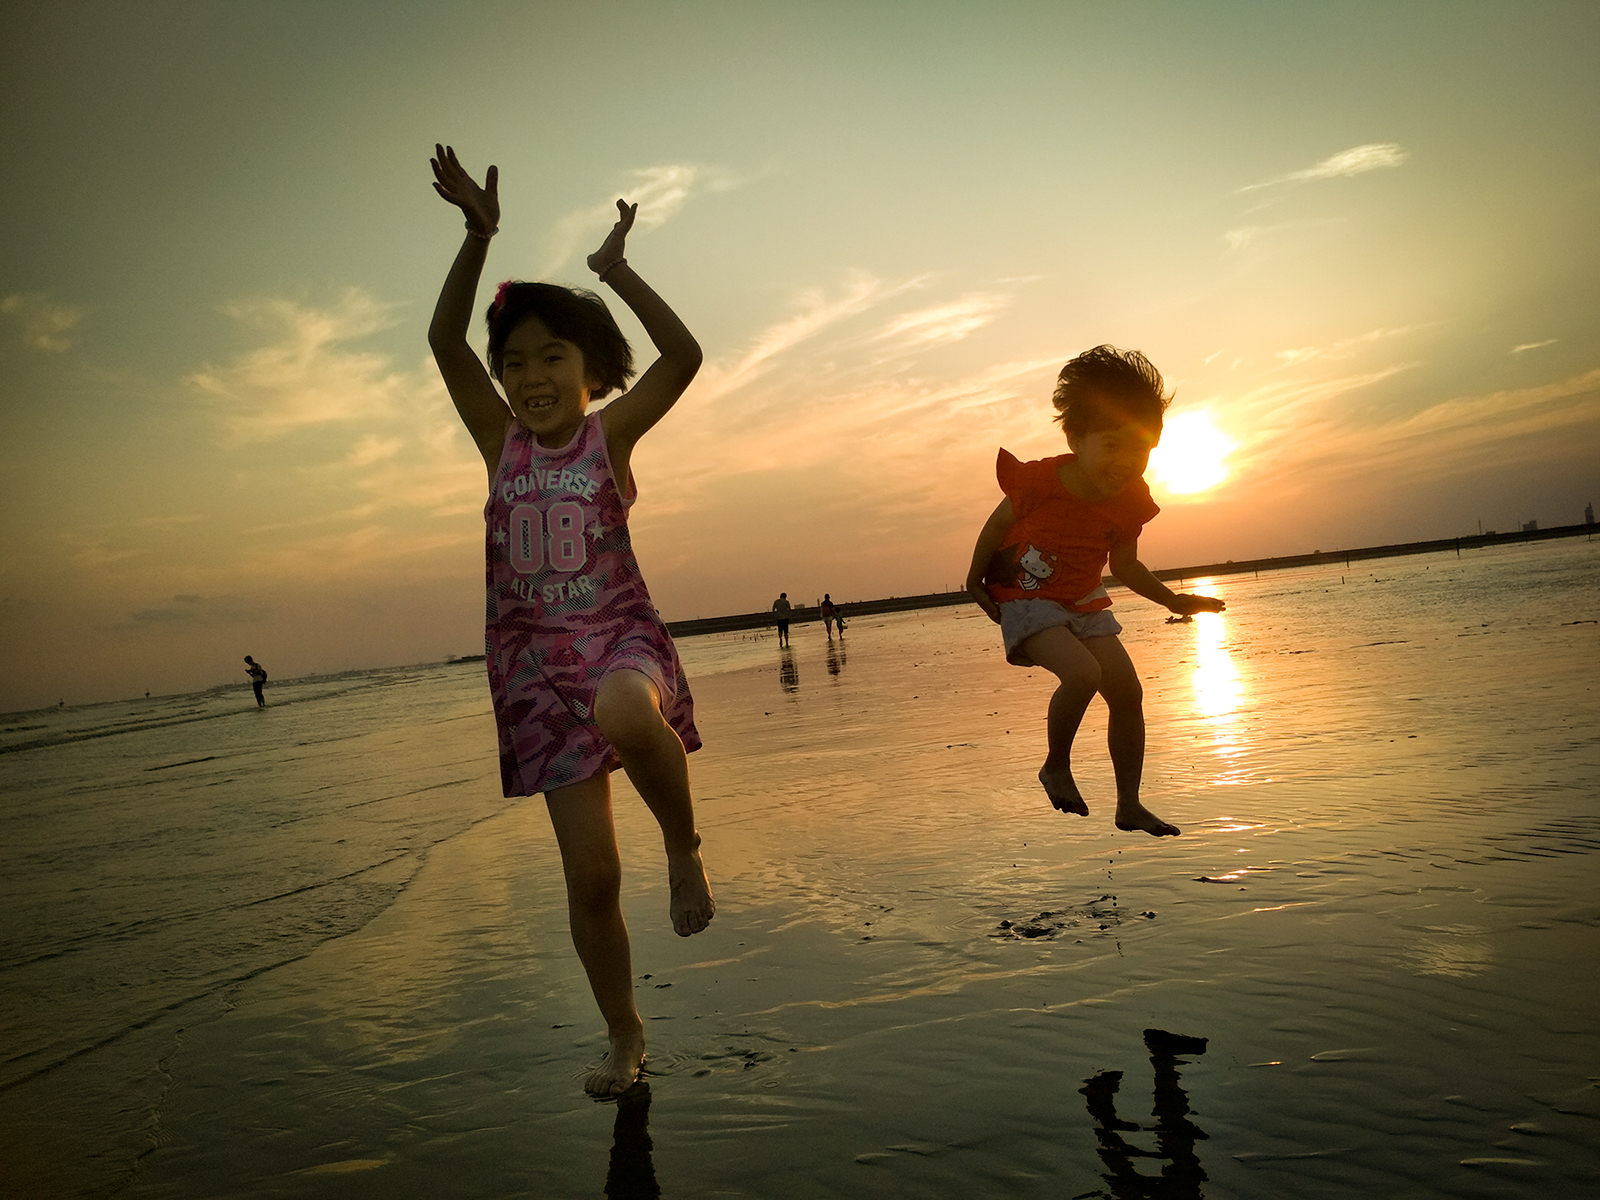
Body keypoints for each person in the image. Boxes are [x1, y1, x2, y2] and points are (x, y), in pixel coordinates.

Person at [428, 145, 714, 1096]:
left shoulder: (609, 432)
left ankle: (682, 846)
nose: (530, 374)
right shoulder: (495, 438)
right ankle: (625, 1038)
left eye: (553, 355)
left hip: (618, 642)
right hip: (532, 675)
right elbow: (443, 342)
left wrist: (618, 269)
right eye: (516, 362)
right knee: (590, 879)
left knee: (632, 717)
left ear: (591, 371)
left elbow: (685, 358)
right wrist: (478, 238)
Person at [966, 346, 1225, 837]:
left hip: (1084, 602)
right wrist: (973, 580)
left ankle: (1129, 803)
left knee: (1127, 692)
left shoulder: (1129, 502)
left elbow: (1125, 565)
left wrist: (1173, 600)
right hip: (1026, 597)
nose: (1127, 462)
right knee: (1083, 674)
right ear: (1076, 439)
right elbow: (996, 524)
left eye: (1141, 449)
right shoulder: (1044, 480)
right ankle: (1055, 766)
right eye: (1112, 445)